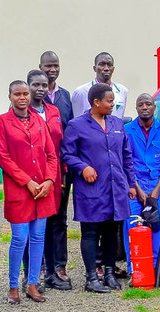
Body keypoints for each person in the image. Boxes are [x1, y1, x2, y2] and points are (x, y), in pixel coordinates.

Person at [63, 83, 139, 293]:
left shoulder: (116, 123)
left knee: (111, 232)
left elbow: (126, 155)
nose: (113, 105)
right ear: (96, 102)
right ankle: (90, 277)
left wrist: (131, 183)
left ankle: (108, 273)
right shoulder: (77, 125)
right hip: (91, 188)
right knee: (90, 233)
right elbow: (67, 154)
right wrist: (83, 167)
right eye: (109, 101)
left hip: (115, 187)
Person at [0, 80, 61, 303]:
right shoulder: (2, 122)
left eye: (25, 94)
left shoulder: (39, 122)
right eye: (17, 94)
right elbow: (3, 158)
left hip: (42, 189)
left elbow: (52, 154)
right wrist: (26, 181)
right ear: (10, 96)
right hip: (19, 190)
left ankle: (32, 283)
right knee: (19, 238)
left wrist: (50, 180)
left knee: (38, 237)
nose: (22, 98)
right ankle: (14, 285)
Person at [29, 68, 71, 290]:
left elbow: (61, 143)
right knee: (37, 223)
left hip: (55, 175)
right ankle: (37, 271)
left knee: (58, 220)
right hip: (33, 178)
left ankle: (57, 267)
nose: (40, 89)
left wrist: (62, 173)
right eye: (36, 85)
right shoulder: (22, 112)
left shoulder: (54, 110)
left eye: (44, 85)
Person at [124, 93, 160, 274]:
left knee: (158, 225)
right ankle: (134, 269)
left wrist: (157, 190)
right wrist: (137, 189)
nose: (144, 107)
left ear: (154, 107)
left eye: (148, 104)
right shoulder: (127, 130)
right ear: (136, 108)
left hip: (158, 184)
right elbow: (126, 161)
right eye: (140, 104)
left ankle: (157, 268)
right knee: (132, 225)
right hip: (134, 184)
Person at [71, 52, 129, 120]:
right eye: (102, 64)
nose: (106, 68)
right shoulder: (81, 92)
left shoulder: (122, 90)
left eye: (109, 65)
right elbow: (77, 122)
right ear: (94, 68)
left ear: (113, 69)